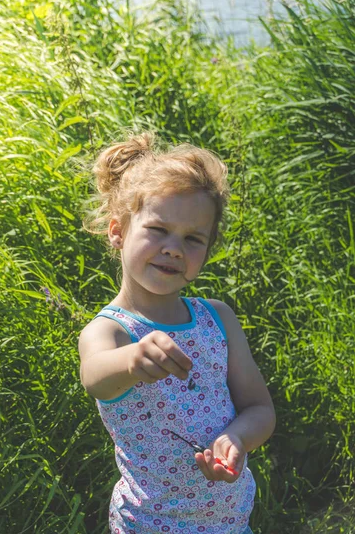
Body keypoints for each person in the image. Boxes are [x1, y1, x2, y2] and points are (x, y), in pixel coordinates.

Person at [78, 131, 276, 534]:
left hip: (230, 520)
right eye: (158, 230)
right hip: (149, 523)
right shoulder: (111, 331)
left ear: (207, 250)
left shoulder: (217, 319)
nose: (173, 248)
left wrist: (236, 439)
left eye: (192, 239)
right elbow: (95, 377)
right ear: (118, 232)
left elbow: (260, 409)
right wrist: (132, 360)